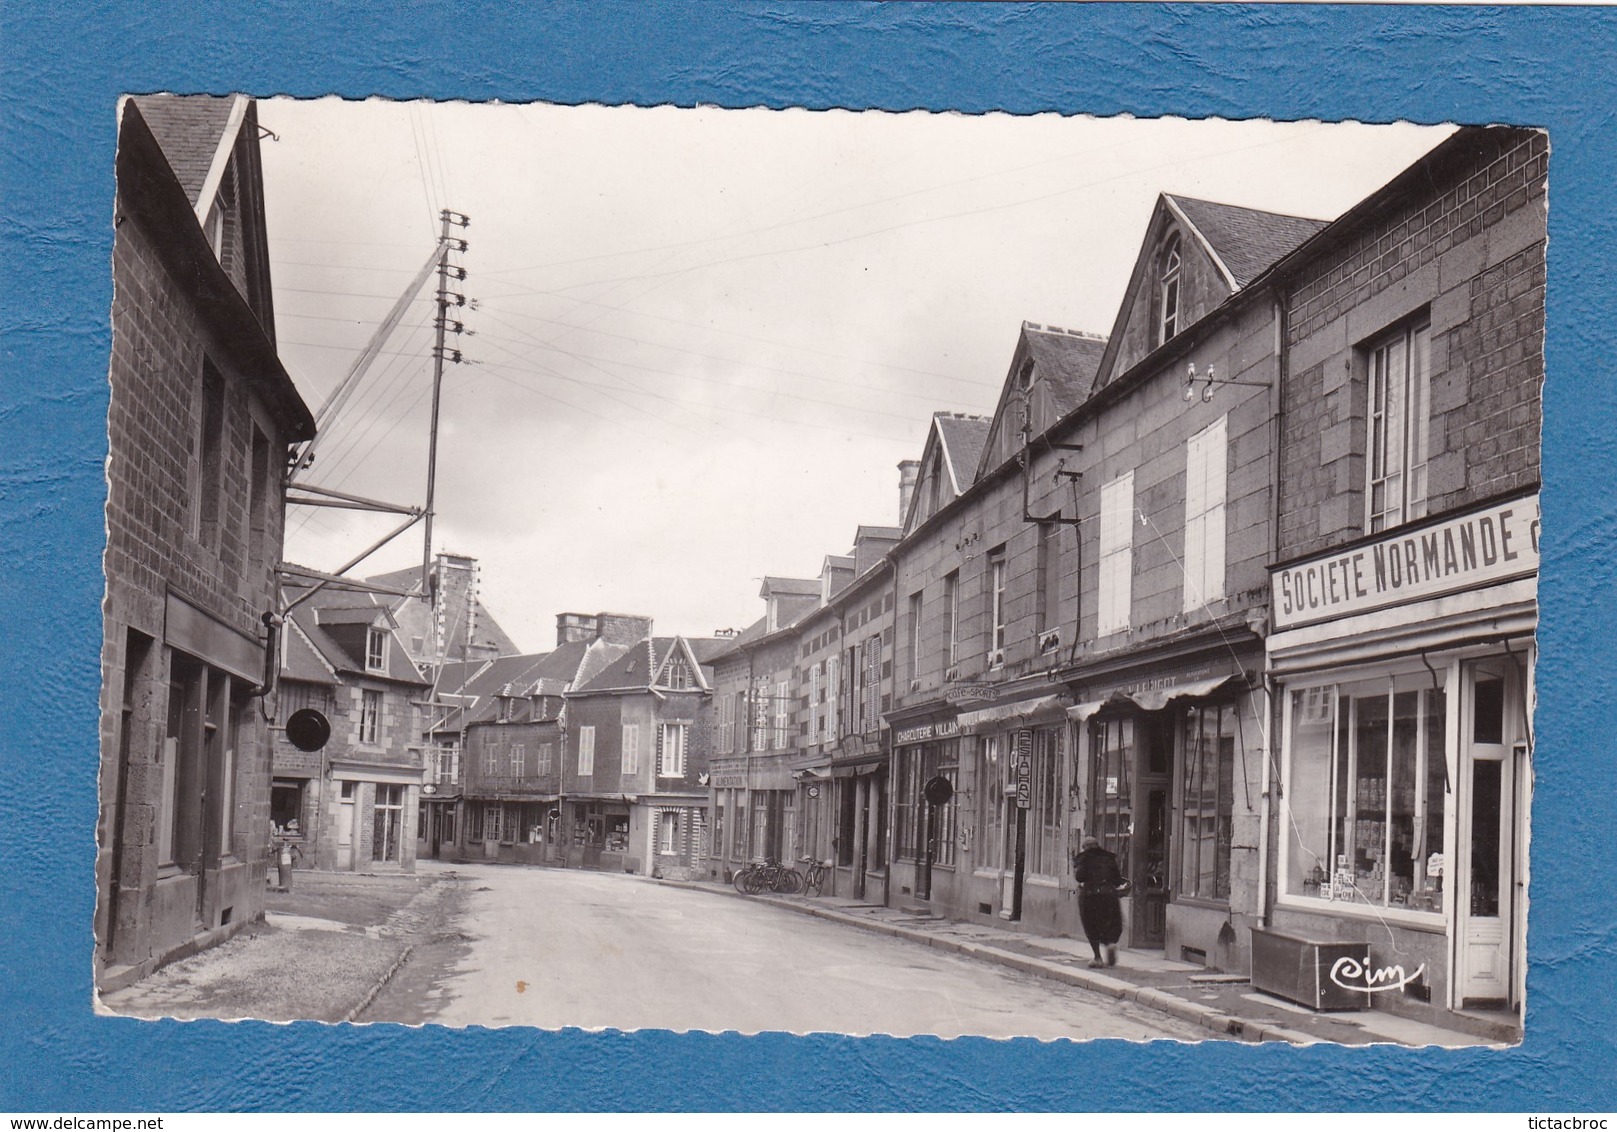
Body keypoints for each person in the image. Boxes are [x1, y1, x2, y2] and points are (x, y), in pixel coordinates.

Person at [1073, 835, 1127, 968]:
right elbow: (1117, 880)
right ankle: (1110, 944)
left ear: (1085, 847)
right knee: (1111, 922)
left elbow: (1079, 877)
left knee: (1091, 925)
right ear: (1097, 845)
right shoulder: (1108, 857)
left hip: (1090, 896)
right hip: (1109, 895)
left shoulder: (1084, 858)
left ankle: (1098, 957)